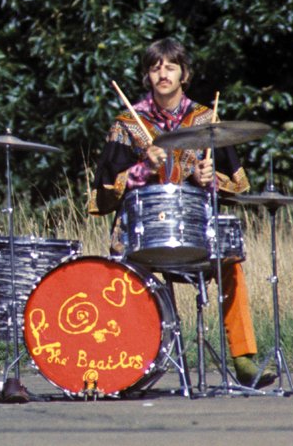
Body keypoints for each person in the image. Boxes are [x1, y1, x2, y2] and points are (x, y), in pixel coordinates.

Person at [89, 37, 276, 388]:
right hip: (145, 234)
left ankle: (243, 358)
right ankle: (126, 361)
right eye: (156, 67)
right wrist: (142, 167)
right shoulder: (128, 123)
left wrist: (208, 178)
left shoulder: (206, 120)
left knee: (231, 260)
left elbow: (238, 185)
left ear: (183, 73)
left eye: (170, 66)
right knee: (119, 274)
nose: (163, 73)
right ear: (148, 75)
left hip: (194, 229)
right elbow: (101, 193)